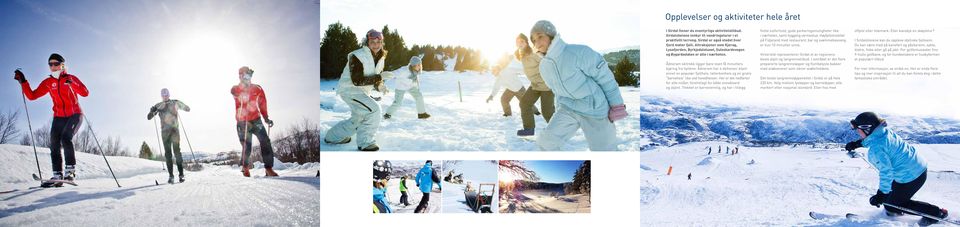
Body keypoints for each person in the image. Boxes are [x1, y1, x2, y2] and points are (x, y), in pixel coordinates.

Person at [529, 20, 627, 151]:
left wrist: (617, 105)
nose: (537, 42)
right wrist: (559, 109)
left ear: (551, 35)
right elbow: (557, 91)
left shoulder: (578, 52)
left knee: (606, 152)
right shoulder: (544, 66)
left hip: (594, 109)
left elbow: (605, 77)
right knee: (546, 142)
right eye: (534, 40)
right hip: (568, 108)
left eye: (540, 36)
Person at [844, 112, 949, 225]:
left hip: (911, 176)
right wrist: (858, 144)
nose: (857, 132)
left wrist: (881, 194)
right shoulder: (883, 132)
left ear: (867, 129)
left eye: (858, 129)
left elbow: (886, 172)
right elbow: (876, 139)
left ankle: (936, 213)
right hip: (915, 167)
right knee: (890, 201)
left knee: (893, 204)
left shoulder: (876, 149)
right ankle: (894, 213)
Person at [15, 53, 89, 187]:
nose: (53, 67)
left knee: (66, 138)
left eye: (56, 64)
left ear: (62, 65)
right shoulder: (48, 82)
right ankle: (57, 175)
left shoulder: (71, 78)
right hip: (59, 117)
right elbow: (32, 96)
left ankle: (70, 172)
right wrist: (23, 82)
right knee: (54, 143)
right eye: (50, 64)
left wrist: (72, 83)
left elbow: (85, 92)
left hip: (75, 114)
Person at [324, 29, 388, 151]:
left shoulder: (380, 57)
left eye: (378, 42)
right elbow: (357, 80)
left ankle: (333, 137)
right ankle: (366, 143)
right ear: (367, 42)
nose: (375, 45)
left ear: (382, 43)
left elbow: (374, 75)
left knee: (359, 117)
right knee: (374, 110)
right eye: (372, 42)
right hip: (350, 90)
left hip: (362, 91)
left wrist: (379, 85)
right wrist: (379, 77)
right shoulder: (357, 56)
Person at [231, 66, 278, 177]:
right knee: (247, 145)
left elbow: (262, 103)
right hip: (243, 122)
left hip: (256, 120)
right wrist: (239, 92)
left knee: (265, 141)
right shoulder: (236, 89)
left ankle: (268, 168)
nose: (245, 77)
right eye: (242, 75)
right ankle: (245, 167)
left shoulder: (257, 88)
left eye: (247, 75)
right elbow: (233, 91)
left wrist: (266, 118)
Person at [147, 88, 191, 184]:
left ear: (169, 94)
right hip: (165, 133)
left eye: (166, 94)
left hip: (175, 131)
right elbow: (149, 117)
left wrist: (180, 105)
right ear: (161, 96)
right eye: (163, 94)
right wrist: (152, 111)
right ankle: (171, 176)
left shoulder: (174, 102)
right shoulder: (158, 105)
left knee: (177, 153)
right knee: (168, 155)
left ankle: (181, 175)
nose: (165, 96)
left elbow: (188, 109)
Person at [515, 33, 554, 136]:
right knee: (524, 103)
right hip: (535, 85)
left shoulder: (534, 52)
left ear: (526, 42)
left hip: (546, 86)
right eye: (518, 42)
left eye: (522, 41)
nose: (520, 44)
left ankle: (557, 130)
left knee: (547, 111)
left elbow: (546, 62)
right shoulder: (521, 54)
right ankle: (529, 129)